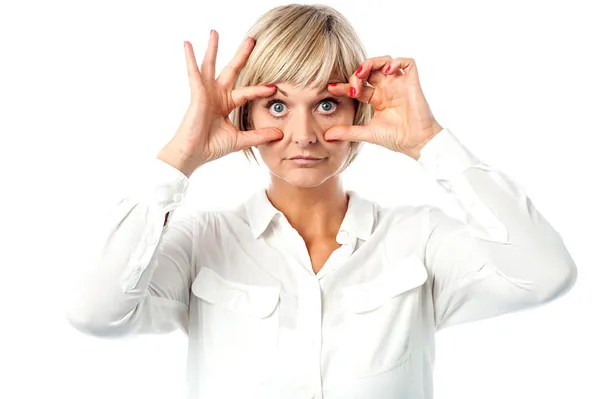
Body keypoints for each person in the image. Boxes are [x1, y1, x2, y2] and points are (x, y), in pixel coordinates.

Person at [66, 4, 577, 399]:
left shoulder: (418, 239)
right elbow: (94, 313)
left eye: (326, 104)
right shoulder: (203, 243)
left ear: (360, 107)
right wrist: (180, 156)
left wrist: (429, 143)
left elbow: (547, 274)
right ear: (244, 113)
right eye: (278, 105)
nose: (303, 134)